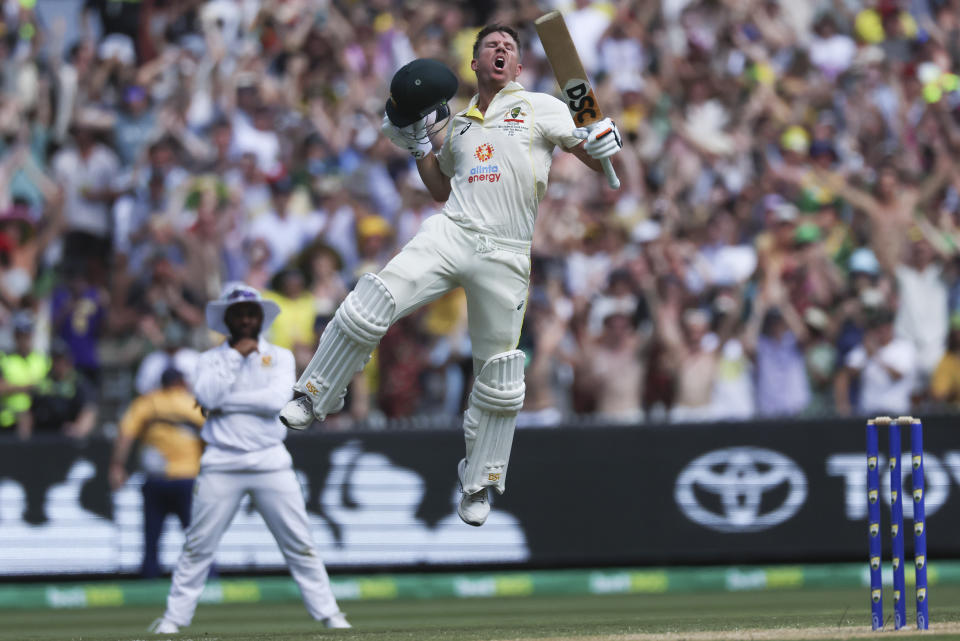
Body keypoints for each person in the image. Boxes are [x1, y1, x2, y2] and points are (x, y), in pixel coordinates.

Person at [279, 25, 623, 527]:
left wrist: (601, 142)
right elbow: (440, 188)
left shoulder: (542, 106)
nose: (501, 49)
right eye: (491, 46)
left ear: (520, 67)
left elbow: (592, 156)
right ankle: (314, 394)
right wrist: (420, 142)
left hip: (507, 251)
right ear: (475, 64)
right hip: (454, 230)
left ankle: (480, 479)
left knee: (501, 374)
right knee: (373, 298)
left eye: (510, 47)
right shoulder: (459, 125)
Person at [148, 283, 349, 634]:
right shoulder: (209, 359)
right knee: (198, 546)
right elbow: (208, 394)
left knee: (300, 543)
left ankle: (331, 615)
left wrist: (224, 403)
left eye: (250, 313)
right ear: (228, 318)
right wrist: (234, 361)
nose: (244, 319)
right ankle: (173, 620)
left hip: (270, 460)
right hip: (221, 463)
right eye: (238, 313)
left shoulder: (282, 356)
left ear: (259, 317)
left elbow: (275, 401)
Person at [110, 367, 204, 579]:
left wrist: (117, 466)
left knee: (152, 537)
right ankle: (208, 579)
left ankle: (149, 582)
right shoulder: (191, 402)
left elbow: (125, 434)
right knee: (197, 537)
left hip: (156, 480)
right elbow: (212, 436)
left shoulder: (147, 402)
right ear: (180, 382)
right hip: (187, 479)